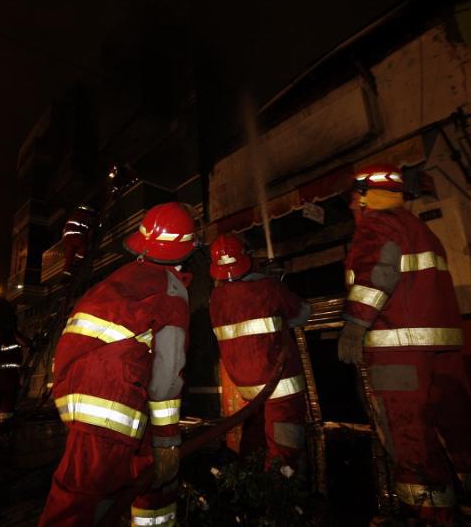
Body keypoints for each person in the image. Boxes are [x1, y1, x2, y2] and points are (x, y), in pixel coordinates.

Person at [337, 164, 471, 521]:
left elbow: (377, 276)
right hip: (441, 349)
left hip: (397, 350)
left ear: (365, 195)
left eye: (355, 199)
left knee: (409, 435)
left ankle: (429, 516)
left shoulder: (376, 225)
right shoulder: (421, 230)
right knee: (458, 423)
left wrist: (355, 325)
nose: (352, 206)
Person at [39, 202, 197, 527]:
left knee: (133, 475)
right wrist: (168, 440)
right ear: (183, 251)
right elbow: (167, 378)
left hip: (82, 386)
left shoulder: (124, 278)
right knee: (82, 502)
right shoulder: (171, 291)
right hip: (110, 395)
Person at [209, 234, 311, 476]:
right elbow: (303, 314)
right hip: (281, 386)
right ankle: (280, 500)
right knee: (285, 448)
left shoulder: (216, 299)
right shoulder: (268, 287)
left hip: (247, 389)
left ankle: (250, 490)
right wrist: (273, 281)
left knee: (255, 443)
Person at [61, 205, 99, 277]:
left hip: (67, 239)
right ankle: (78, 259)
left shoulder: (73, 217)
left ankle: (66, 272)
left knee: (69, 256)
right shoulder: (83, 216)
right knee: (83, 246)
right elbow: (88, 227)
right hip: (76, 236)